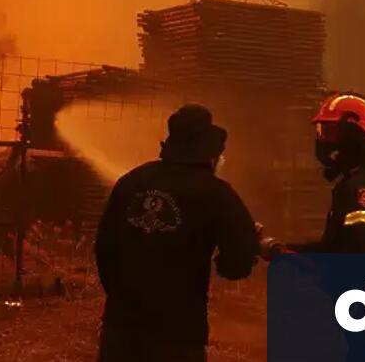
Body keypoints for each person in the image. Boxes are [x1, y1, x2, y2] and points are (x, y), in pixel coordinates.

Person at [94, 104, 259, 362]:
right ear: (208, 151)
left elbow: (104, 249)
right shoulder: (216, 193)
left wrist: (121, 297)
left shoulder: (131, 182)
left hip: (121, 330)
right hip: (179, 335)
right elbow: (238, 263)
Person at [289, 92, 365, 362]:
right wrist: (284, 251)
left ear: (352, 135)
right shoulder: (362, 181)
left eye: (330, 131)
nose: (323, 141)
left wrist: (333, 278)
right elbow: (337, 249)